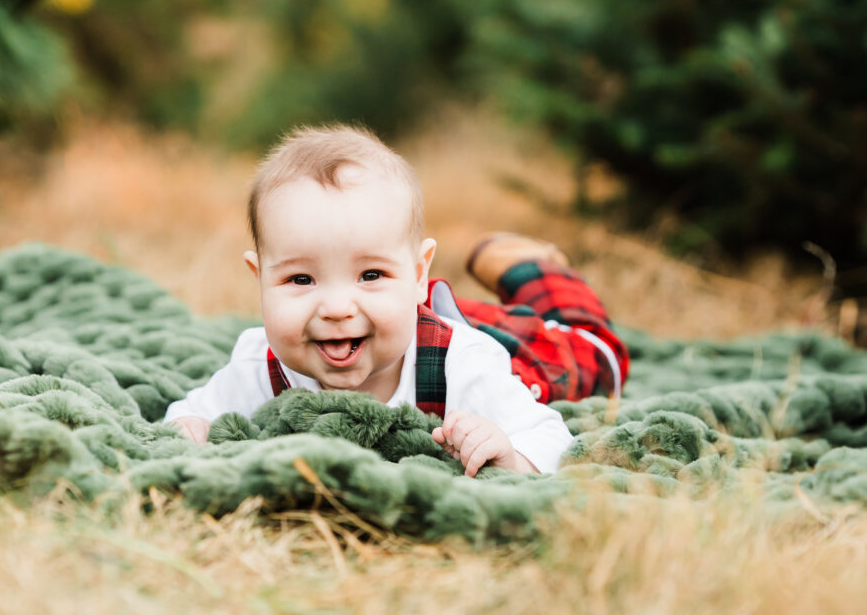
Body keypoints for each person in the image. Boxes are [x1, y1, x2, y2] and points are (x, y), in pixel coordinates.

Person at [164, 125, 629, 476]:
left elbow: (552, 439)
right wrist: (192, 432)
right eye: (302, 279)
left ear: (419, 272)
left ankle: (533, 269)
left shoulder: (465, 366)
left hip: (500, 345)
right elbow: (185, 416)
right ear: (260, 279)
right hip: (411, 315)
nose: (337, 308)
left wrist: (507, 451)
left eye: (370, 274)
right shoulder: (257, 366)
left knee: (595, 354)